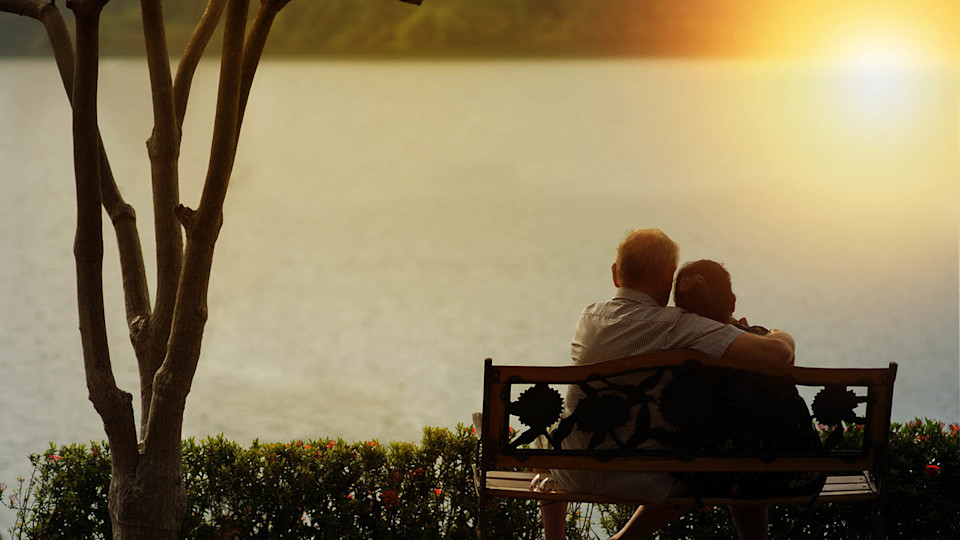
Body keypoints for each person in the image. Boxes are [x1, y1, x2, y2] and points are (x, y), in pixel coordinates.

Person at [540, 229, 795, 540]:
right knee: (727, 457)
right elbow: (779, 356)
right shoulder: (680, 326)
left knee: (547, 435)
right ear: (668, 278)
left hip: (575, 472)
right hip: (646, 480)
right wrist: (777, 334)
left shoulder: (588, 316)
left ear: (615, 274)